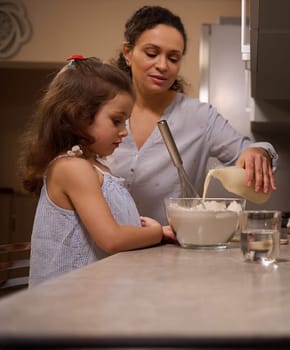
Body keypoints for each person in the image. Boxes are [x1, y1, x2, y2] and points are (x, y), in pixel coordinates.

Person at [106, 5, 278, 225]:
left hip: (166, 252)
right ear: (128, 53)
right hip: (101, 250)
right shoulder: (100, 108)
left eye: (173, 58)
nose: (162, 65)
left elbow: (257, 154)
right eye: (151, 53)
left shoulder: (200, 117)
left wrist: (260, 153)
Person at [18, 55, 176, 286]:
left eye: (126, 122)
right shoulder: (72, 168)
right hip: (65, 302)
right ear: (78, 116)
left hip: (96, 293)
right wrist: (158, 233)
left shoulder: (95, 167)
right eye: (116, 121)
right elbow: (111, 238)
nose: (124, 131)